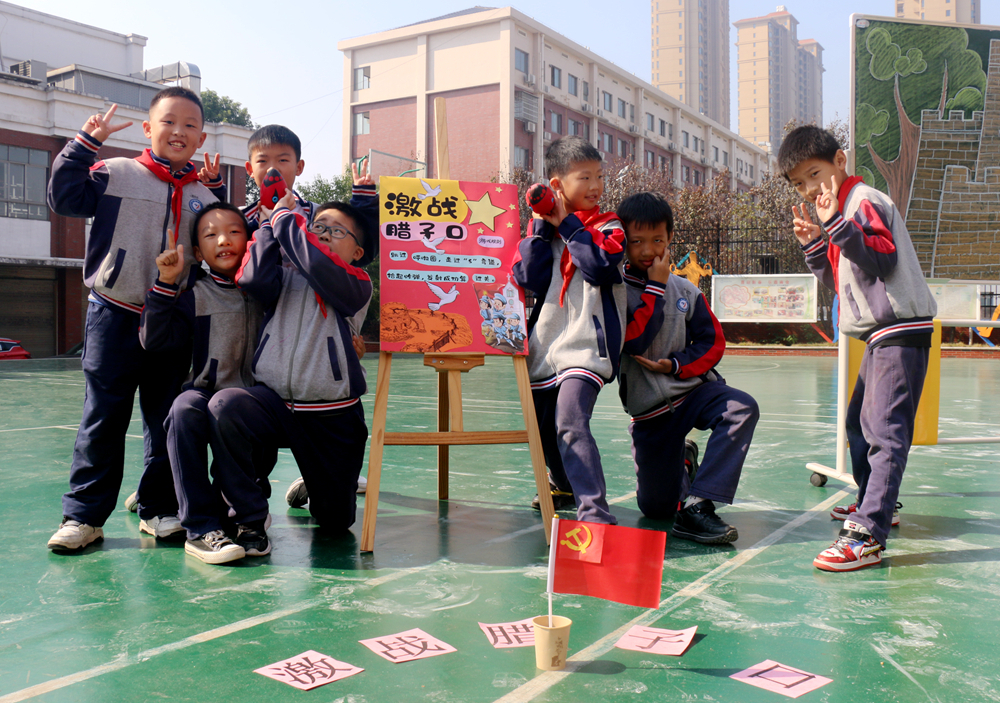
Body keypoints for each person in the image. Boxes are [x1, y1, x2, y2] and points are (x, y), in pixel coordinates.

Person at [46, 88, 225, 551]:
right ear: (149, 128)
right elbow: (65, 198)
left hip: (171, 319)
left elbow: (221, 248)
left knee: (166, 419)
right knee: (103, 416)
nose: (179, 132)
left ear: (201, 136)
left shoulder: (205, 198)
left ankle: (159, 508)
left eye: (190, 125)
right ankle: (83, 516)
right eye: (169, 121)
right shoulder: (114, 172)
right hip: (114, 313)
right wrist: (86, 142)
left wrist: (219, 194)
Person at [783, 125, 937, 572]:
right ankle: (874, 506)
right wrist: (816, 243)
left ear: (841, 161)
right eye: (799, 183)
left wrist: (834, 225)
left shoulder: (861, 201)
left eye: (815, 174)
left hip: (899, 329)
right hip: (879, 335)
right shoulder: (841, 211)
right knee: (860, 424)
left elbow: (882, 257)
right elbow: (844, 283)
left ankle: (869, 532)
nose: (810, 188)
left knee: (884, 431)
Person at [205, 165, 378, 556]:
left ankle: (316, 483)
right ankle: (248, 518)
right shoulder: (284, 276)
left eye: (336, 231)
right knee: (226, 406)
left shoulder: (356, 283)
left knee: (335, 522)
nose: (322, 235)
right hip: (276, 404)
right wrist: (268, 223)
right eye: (317, 228)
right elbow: (251, 279)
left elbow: (318, 266)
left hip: (332, 415)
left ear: (357, 252)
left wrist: (286, 219)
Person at [616, 192, 759, 544]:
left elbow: (712, 344)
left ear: (670, 239)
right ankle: (683, 463)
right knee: (656, 508)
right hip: (650, 412)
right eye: (637, 241)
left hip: (694, 391)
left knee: (741, 408)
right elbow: (634, 340)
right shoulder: (614, 291)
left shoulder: (686, 290)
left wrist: (677, 365)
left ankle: (698, 504)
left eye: (658, 240)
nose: (648, 250)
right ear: (622, 241)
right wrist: (656, 285)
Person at [138, 202, 266, 564]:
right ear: (198, 252)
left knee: (243, 413)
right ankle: (200, 529)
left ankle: (247, 520)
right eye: (210, 235)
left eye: (234, 232)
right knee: (184, 410)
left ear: (250, 240)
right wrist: (165, 282)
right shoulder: (194, 295)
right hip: (203, 390)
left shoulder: (264, 290)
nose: (223, 240)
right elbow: (155, 339)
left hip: (249, 397)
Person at [511, 135, 627, 524]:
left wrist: (571, 226)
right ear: (557, 184)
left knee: (571, 420)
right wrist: (543, 229)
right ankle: (561, 482)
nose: (596, 186)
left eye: (599, 176)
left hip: (585, 347)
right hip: (544, 346)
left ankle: (594, 513)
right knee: (543, 430)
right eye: (585, 178)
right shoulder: (539, 229)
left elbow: (599, 267)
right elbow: (528, 278)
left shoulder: (608, 225)